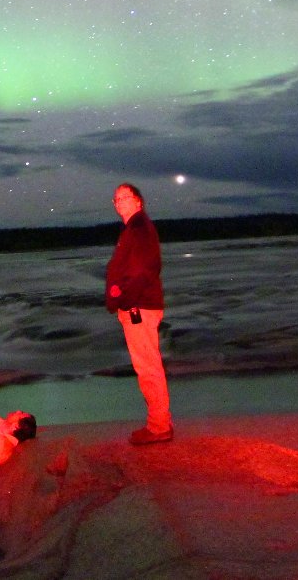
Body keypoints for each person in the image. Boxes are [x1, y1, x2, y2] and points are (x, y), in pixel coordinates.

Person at [106, 183, 173, 444]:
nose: (120, 201)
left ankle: (159, 427)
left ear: (139, 202)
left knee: (148, 367)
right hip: (137, 304)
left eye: (126, 196)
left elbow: (144, 270)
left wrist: (125, 299)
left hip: (139, 306)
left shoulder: (140, 228)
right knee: (147, 365)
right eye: (117, 198)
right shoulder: (133, 229)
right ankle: (160, 422)